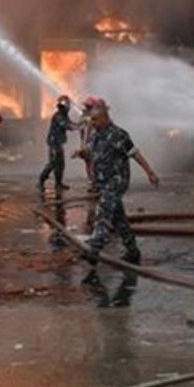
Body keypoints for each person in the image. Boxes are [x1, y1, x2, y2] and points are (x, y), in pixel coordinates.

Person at [80, 98, 159, 267]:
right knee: (118, 219)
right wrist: (82, 153)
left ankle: (94, 249)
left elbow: (135, 154)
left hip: (117, 180)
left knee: (104, 210)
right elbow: (91, 154)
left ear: (104, 118)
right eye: (91, 120)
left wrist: (150, 172)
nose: (92, 123)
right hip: (103, 182)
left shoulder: (119, 134)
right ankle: (133, 251)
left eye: (95, 120)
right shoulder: (95, 135)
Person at [37, 94, 75, 192]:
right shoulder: (58, 116)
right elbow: (69, 126)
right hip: (54, 143)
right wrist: (81, 124)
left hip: (59, 142)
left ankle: (58, 184)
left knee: (61, 164)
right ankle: (41, 181)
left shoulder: (64, 115)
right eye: (68, 105)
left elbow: (72, 124)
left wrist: (82, 123)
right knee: (53, 163)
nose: (69, 107)